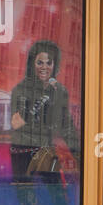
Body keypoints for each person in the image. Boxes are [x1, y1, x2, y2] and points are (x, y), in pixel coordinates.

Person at [10, 39, 80, 180]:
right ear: (32, 64)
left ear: (54, 65)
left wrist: (78, 150)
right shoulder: (21, 89)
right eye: (40, 62)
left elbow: (66, 124)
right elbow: (17, 123)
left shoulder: (59, 90)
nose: (45, 67)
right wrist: (43, 96)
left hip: (49, 157)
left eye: (49, 63)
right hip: (24, 154)